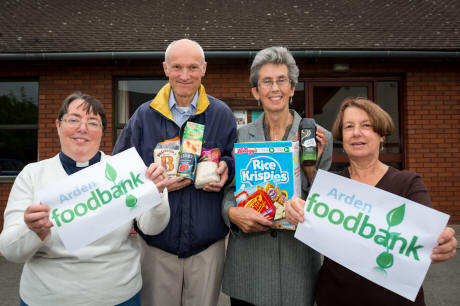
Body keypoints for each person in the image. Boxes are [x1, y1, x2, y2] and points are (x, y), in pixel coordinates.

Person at [0, 92, 170, 306]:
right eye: (73, 120)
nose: (82, 128)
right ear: (58, 125)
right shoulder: (32, 175)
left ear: (102, 132)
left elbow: (152, 228)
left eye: (93, 122)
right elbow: (10, 251)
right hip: (46, 298)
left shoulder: (124, 171)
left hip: (119, 296)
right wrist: (32, 231)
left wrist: (158, 194)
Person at [285, 97, 458, 306]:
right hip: (335, 297)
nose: (356, 132)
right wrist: (294, 206)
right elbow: (310, 218)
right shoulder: (332, 185)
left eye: (366, 125)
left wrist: (442, 242)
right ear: (342, 136)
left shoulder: (408, 183)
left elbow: (428, 237)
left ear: (382, 135)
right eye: (349, 127)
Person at [112, 39, 237, 306]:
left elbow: (234, 158)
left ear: (204, 69)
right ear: (165, 68)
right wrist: (154, 186)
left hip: (208, 247)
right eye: (177, 67)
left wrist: (228, 166)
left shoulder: (221, 114)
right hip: (157, 246)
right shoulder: (143, 116)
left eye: (192, 67)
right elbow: (119, 172)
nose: (184, 75)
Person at [221, 46, 333, 306]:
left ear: (292, 88)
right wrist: (231, 213)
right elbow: (228, 190)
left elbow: (326, 204)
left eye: (282, 80)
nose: (275, 89)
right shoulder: (238, 137)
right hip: (248, 270)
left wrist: (310, 167)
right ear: (255, 91)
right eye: (267, 81)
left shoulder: (319, 137)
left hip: (298, 269)